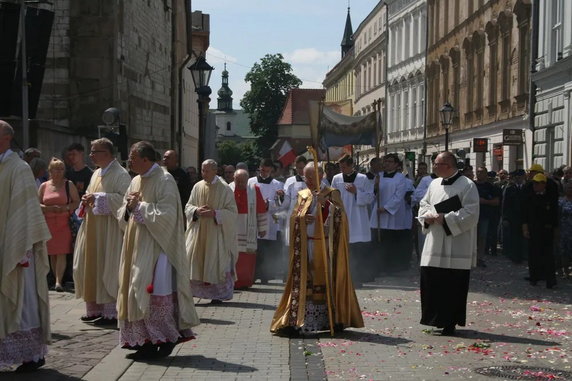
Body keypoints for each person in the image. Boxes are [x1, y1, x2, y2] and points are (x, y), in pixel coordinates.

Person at [117, 141, 199, 360]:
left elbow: (169, 214)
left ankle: (165, 338)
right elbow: (123, 212)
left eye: (133, 158)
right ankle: (144, 340)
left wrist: (140, 207)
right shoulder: (135, 179)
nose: (130, 161)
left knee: (153, 293)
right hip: (136, 245)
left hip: (157, 248)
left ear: (146, 159)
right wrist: (128, 207)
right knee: (135, 290)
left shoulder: (164, 179)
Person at [271, 162, 364, 336]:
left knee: (326, 281)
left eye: (311, 177)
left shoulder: (332, 193)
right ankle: (297, 320)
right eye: (306, 177)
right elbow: (293, 217)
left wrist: (326, 204)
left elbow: (342, 218)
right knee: (305, 282)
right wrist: (301, 220)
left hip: (326, 246)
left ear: (320, 176)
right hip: (307, 245)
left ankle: (333, 319)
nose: (307, 180)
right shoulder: (303, 194)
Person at [0, 121, 52, 372]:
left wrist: (19, 245)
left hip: (17, 247)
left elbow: (26, 212)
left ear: (6, 138)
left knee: (22, 299)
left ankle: (31, 355)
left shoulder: (18, 168)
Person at [418, 152, 479, 336]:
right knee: (432, 281)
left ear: (449, 165)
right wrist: (427, 216)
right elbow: (424, 204)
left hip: (456, 244)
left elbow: (471, 213)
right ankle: (435, 318)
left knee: (452, 285)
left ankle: (450, 322)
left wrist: (447, 218)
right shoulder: (434, 183)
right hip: (434, 242)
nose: (434, 167)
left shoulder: (467, 185)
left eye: (437, 164)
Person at [73, 138, 131, 325]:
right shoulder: (96, 173)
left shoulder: (121, 174)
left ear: (106, 153)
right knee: (90, 266)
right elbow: (92, 196)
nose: (90, 155)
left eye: (94, 151)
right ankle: (95, 309)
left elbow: (124, 201)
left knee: (108, 267)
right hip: (92, 229)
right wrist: (87, 200)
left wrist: (97, 197)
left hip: (110, 231)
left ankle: (110, 312)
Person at [185, 159, 238, 303]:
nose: (204, 173)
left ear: (216, 171)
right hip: (198, 232)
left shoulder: (225, 188)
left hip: (216, 233)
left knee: (216, 262)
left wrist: (215, 214)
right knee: (194, 260)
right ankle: (194, 293)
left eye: (207, 170)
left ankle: (217, 295)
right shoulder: (197, 186)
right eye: (202, 170)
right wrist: (196, 210)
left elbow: (232, 212)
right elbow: (188, 206)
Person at [331, 155, 374, 285]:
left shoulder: (363, 178)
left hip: (358, 218)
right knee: (343, 250)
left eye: (344, 167)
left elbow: (370, 198)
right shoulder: (336, 178)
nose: (342, 169)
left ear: (351, 166)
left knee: (357, 249)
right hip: (342, 216)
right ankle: (343, 278)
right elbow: (332, 196)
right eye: (340, 167)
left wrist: (357, 192)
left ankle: (357, 278)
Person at [39, 158, 80, 292]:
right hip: (48, 222)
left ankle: (58, 281)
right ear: (50, 170)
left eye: (62, 169)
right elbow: (37, 204)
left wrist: (65, 208)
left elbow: (76, 202)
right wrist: (49, 209)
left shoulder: (69, 184)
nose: (59, 171)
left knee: (62, 251)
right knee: (52, 253)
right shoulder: (44, 186)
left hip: (64, 223)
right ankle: (55, 277)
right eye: (57, 168)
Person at [370, 153, 412, 275]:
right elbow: (372, 194)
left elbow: (399, 196)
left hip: (393, 214)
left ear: (396, 164)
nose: (387, 163)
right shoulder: (379, 176)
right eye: (386, 161)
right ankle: (378, 266)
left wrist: (386, 208)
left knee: (391, 242)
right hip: (378, 212)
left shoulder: (400, 178)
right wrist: (375, 186)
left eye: (390, 161)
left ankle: (392, 267)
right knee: (378, 241)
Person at [229, 169, 267, 288]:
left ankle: (245, 281)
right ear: (234, 179)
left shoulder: (254, 190)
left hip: (248, 227)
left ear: (247, 180)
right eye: (238, 181)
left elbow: (261, 209)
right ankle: (232, 281)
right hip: (232, 226)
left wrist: (262, 228)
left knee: (247, 256)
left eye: (243, 182)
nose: (240, 184)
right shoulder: (228, 189)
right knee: (232, 255)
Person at [248, 159, 284, 283]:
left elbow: (280, 205)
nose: (264, 173)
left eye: (267, 171)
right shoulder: (251, 182)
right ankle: (253, 274)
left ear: (271, 171)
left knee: (267, 249)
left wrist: (269, 203)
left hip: (270, 220)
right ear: (259, 168)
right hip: (254, 219)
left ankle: (266, 275)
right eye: (263, 170)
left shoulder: (277, 185)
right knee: (255, 247)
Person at [522, 173, 558, 289]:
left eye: (538, 183)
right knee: (533, 255)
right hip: (533, 229)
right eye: (534, 183)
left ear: (544, 184)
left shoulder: (550, 197)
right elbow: (525, 214)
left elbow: (554, 214)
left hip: (547, 230)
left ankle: (550, 280)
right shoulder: (530, 197)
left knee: (548, 256)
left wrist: (555, 228)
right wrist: (525, 228)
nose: (535, 185)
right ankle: (534, 277)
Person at [474, 166, 500, 267]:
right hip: (472, 215)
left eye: (481, 172)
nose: (479, 174)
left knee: (482, 237)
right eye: (478, 172)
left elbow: (496, 201)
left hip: (484, 215)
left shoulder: (491, 187)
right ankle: (472, 257)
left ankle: (480, 258)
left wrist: (484, 201)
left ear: (486, 173)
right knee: (473, 238)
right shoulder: (472, 185)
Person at [501, 169, 527, 263]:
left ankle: (522, 255)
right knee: (514, 237)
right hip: (513, 217)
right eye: (517, 176)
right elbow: (505, 204)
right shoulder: (510, 189)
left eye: (521, 176)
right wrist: (505, 218)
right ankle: (514, 256)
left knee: (523, 237)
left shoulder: (526, 188)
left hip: (524, 217)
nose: (519, 178)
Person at [557, 181, 572, 277]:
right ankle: (564, 269)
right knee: (563, 251)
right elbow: (557, 216)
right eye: (568, 187)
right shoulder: (560, 201)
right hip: (563, 231)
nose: (570, 189)